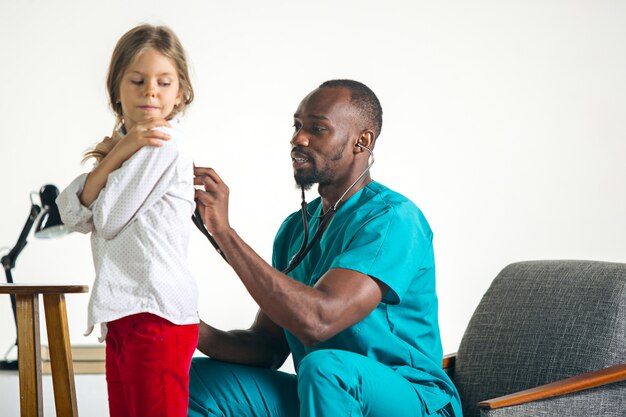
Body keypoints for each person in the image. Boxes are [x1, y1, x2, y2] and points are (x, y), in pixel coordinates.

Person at [190, 79, 462, 416]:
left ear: (362, 141)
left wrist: (225, 234)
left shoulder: (393, 219)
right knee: (199, 382)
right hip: (326, 391)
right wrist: (187, 328)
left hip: (412, 400)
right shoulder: (295, 228)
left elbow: (319, 321)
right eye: (298, 125)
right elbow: (267, 346)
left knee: (327, 368)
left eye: (317, 128)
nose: (298, 139)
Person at [56, 24, 199, 417]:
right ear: (116, 89)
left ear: (180, 92)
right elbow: (70, 212)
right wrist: (120, 151)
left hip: (155, 313)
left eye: (163, 82)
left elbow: (107, 218)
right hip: (125, 314)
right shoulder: (132, 145)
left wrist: (116, 156)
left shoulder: (162, 144)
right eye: (137, 80)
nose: (150, 91)